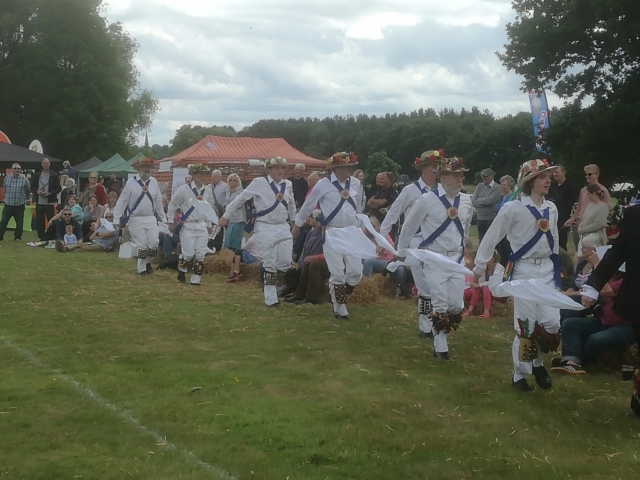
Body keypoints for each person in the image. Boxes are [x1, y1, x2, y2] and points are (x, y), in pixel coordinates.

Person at [474, 159, 561, 391]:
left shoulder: (551, 208)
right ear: (530, 181)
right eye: (543, 176)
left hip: (547, 271)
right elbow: (492, 236)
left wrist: (558, 268)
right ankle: (519, 374)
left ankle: (537, 363)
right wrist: (479, 266)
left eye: (549, 176)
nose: (548, 180)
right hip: (524, 270)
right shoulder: (512, 207)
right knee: (527, 326)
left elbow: (555, 240)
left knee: (552, 324)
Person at [398, 155, 473, 360]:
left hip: (456, 260)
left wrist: (463, 246)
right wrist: (402, 252)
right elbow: (409, 226)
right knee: (439, 303)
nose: (460, 179)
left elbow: (465, 228)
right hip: (434, 258)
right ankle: (440, 347)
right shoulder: (427, 200)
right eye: (455, 175)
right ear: (442, 176)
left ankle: (441, 334)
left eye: (461, 176)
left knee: (456, 305)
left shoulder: (466, 201)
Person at [294, 152, 364, 319]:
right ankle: (339, 308)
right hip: (332, 231)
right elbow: (308, 205)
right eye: (345, 167)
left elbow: (359, 206)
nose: (348, 170)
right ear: (336, 169)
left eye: (350, 167)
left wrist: (362, 224)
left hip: (351, 231)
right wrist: (297, 225)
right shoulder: (322, 185)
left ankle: (338, 292)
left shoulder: (355, 183)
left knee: (355, 272)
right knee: (338, 273)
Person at [220, 156, 296, 306]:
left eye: (282, 168)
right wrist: (226, 215)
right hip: (265, 226)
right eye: (276, 168)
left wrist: (295, 221)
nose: (280, 171)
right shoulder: (258, 183)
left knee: (286, 262)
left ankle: (270, 275)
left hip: (283, 226)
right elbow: (240, 199)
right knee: (270, 262)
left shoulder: (288, 184)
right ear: (269, 169)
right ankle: (271, 298)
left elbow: (291, 203)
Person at [381, 149, 441, 337]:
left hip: (438, 244)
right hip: (416, 242)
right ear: (423, 168)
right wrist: (383, 237)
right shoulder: (411, 190)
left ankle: (437, 322)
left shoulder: (441, 191)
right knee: (425, 287)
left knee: (437, 285)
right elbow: (393, 212)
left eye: (438, 167)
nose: (436, 170)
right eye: (433, 167)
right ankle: (426, 326)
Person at [552, 275, 634, 374]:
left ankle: (573, 362)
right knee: (570, 324)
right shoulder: (616, 278)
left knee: (596, 339)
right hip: (602, 321)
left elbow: (603, 289)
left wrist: (597, 263)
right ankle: (571, 361)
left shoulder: (629, 280)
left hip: (625, 327)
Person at [113, 157, 166, 275]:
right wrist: (117, 218)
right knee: (142, 244)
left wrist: (164, 219)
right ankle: (141, 270)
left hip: (150, 217)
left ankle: (147, 262)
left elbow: (158, 201)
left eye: (149, 167)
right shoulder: (130, 183)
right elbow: (122, 201)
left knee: (153, 244)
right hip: (135, 218)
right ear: (138, 168)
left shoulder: (154, 182)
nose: (147, 169)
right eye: (144, 167)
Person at [167, 164, 215, 286]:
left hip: (201, 225)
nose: (201, 176)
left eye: (203, 174)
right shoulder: (183, 189)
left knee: (200, 254)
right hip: (188, 225)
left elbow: (209, 209)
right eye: (198, 173)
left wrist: (209, 224)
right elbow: (172, 205)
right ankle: (181, 270)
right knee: (188, 254)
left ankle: (195, 280)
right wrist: (171, 221)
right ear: (193, 175)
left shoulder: (208, 191)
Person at [564, 164, 611, 250]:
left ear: (597, 174)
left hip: (593, 231)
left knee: (591, 256)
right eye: (585, 174)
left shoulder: (602, 190)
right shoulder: (583, 190)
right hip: (579, 227)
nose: (587, 176)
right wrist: (572, 219)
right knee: (578, 253)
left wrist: (589, 217)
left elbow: (606, 210)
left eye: (589, 174)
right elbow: (579, 207)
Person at [462, 250, 503, 319]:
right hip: (486, 290)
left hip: (497, 291)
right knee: (478, 289)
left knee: (485, 288)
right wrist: (477, 283)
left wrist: (479, 285)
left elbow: (494, 283)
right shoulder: (484, 267)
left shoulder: (500, 268)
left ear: (492, 259)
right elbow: (475, 278)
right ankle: (470, 310)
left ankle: (486, 312)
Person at [547, 165, 578, 251]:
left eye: (557, 172)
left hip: (562, 222)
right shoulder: (552, 187)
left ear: (564, 172)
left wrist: (557, 216)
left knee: (561, 245)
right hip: (550, 219)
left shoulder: (570, 187)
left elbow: (568, 205)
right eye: (553, 172)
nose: (554, 174)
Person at [31, 157, 61, 242]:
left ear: (49, 164)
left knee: (51, 219)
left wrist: (50, 193)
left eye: (47, 163)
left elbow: (58, 188)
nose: (46, 165)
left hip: (50, 202)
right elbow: (32, 186)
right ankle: (42, 237)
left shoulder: (54, 175)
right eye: (44, 163)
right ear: (41, 164)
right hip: (39, 202)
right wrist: (37, 191)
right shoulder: (37, 175)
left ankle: (51, 235)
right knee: (39, 220)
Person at [0, 163, 31, 242]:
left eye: (18, 168)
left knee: (19, 224)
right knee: (3, 222)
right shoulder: (7, 178)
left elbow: (28, 191)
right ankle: (0, 236)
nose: (17, 170)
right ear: (12, 169)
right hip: (8, 204)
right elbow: (5, 188)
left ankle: (17, 237)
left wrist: (24, 198)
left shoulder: (25, 179)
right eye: (15, 168)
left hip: (19, 205)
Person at [471, 167, 502, 242]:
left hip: (491, 219)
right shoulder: (479, 186)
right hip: (480, 219)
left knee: (491, 241)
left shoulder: (497, 188)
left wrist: (479, 201)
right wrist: (484, 202)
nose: (484, 178)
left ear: (492, 176)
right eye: (483, 176)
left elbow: (491, 201)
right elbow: (473, 200)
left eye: (486, 176)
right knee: (481, 241)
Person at [576, 184, 608, 253]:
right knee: (579, 257)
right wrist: (580, 227)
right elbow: (584, 218)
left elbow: (599, 223)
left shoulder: (603, 207)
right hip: (584, 237)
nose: (587, 196)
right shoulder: (590, 205)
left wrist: (584, 230)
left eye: (588, 194)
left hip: (596, 238)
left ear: (593, 193)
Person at [224, 173, 246, 250]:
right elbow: (227, 202)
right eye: (230, 180)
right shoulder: (227, 190)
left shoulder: (241, 191)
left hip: (238, 218)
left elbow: (240, 203)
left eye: (234, 180)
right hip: (230, 218)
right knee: (228, 239)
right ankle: (228, 258)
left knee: (236, 241)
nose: (232, 181)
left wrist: (230, 207)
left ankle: (235, 259)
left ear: (238, 182)